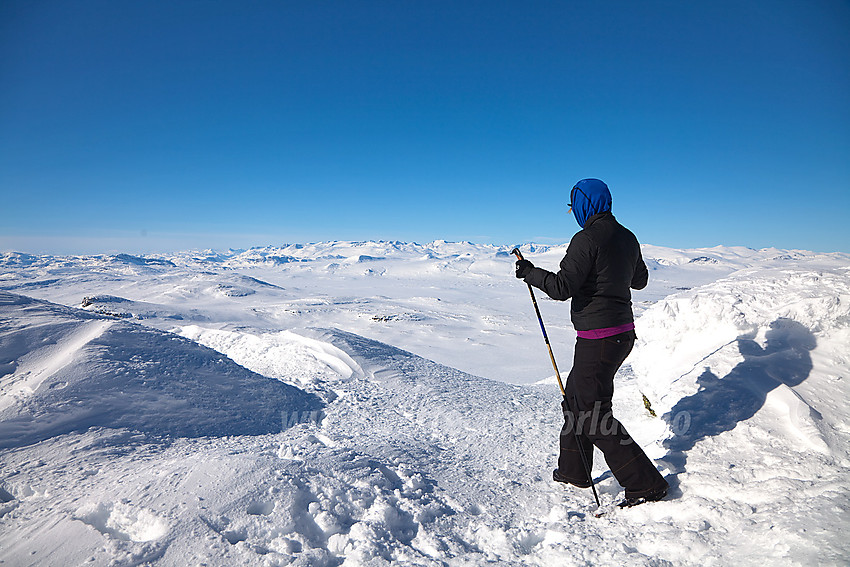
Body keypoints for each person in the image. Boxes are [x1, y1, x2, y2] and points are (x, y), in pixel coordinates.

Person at [515, 178, 668, 507]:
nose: (573, 213)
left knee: (592, 415)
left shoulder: (585, 240)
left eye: (573, 206)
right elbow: (639, 280)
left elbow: (561, 287)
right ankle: (575, 470)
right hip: (620, 335)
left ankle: (646, 485)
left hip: (599, 339)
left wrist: (529, 272)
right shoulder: (627, 237)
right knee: (577, 400)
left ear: (585, 204)